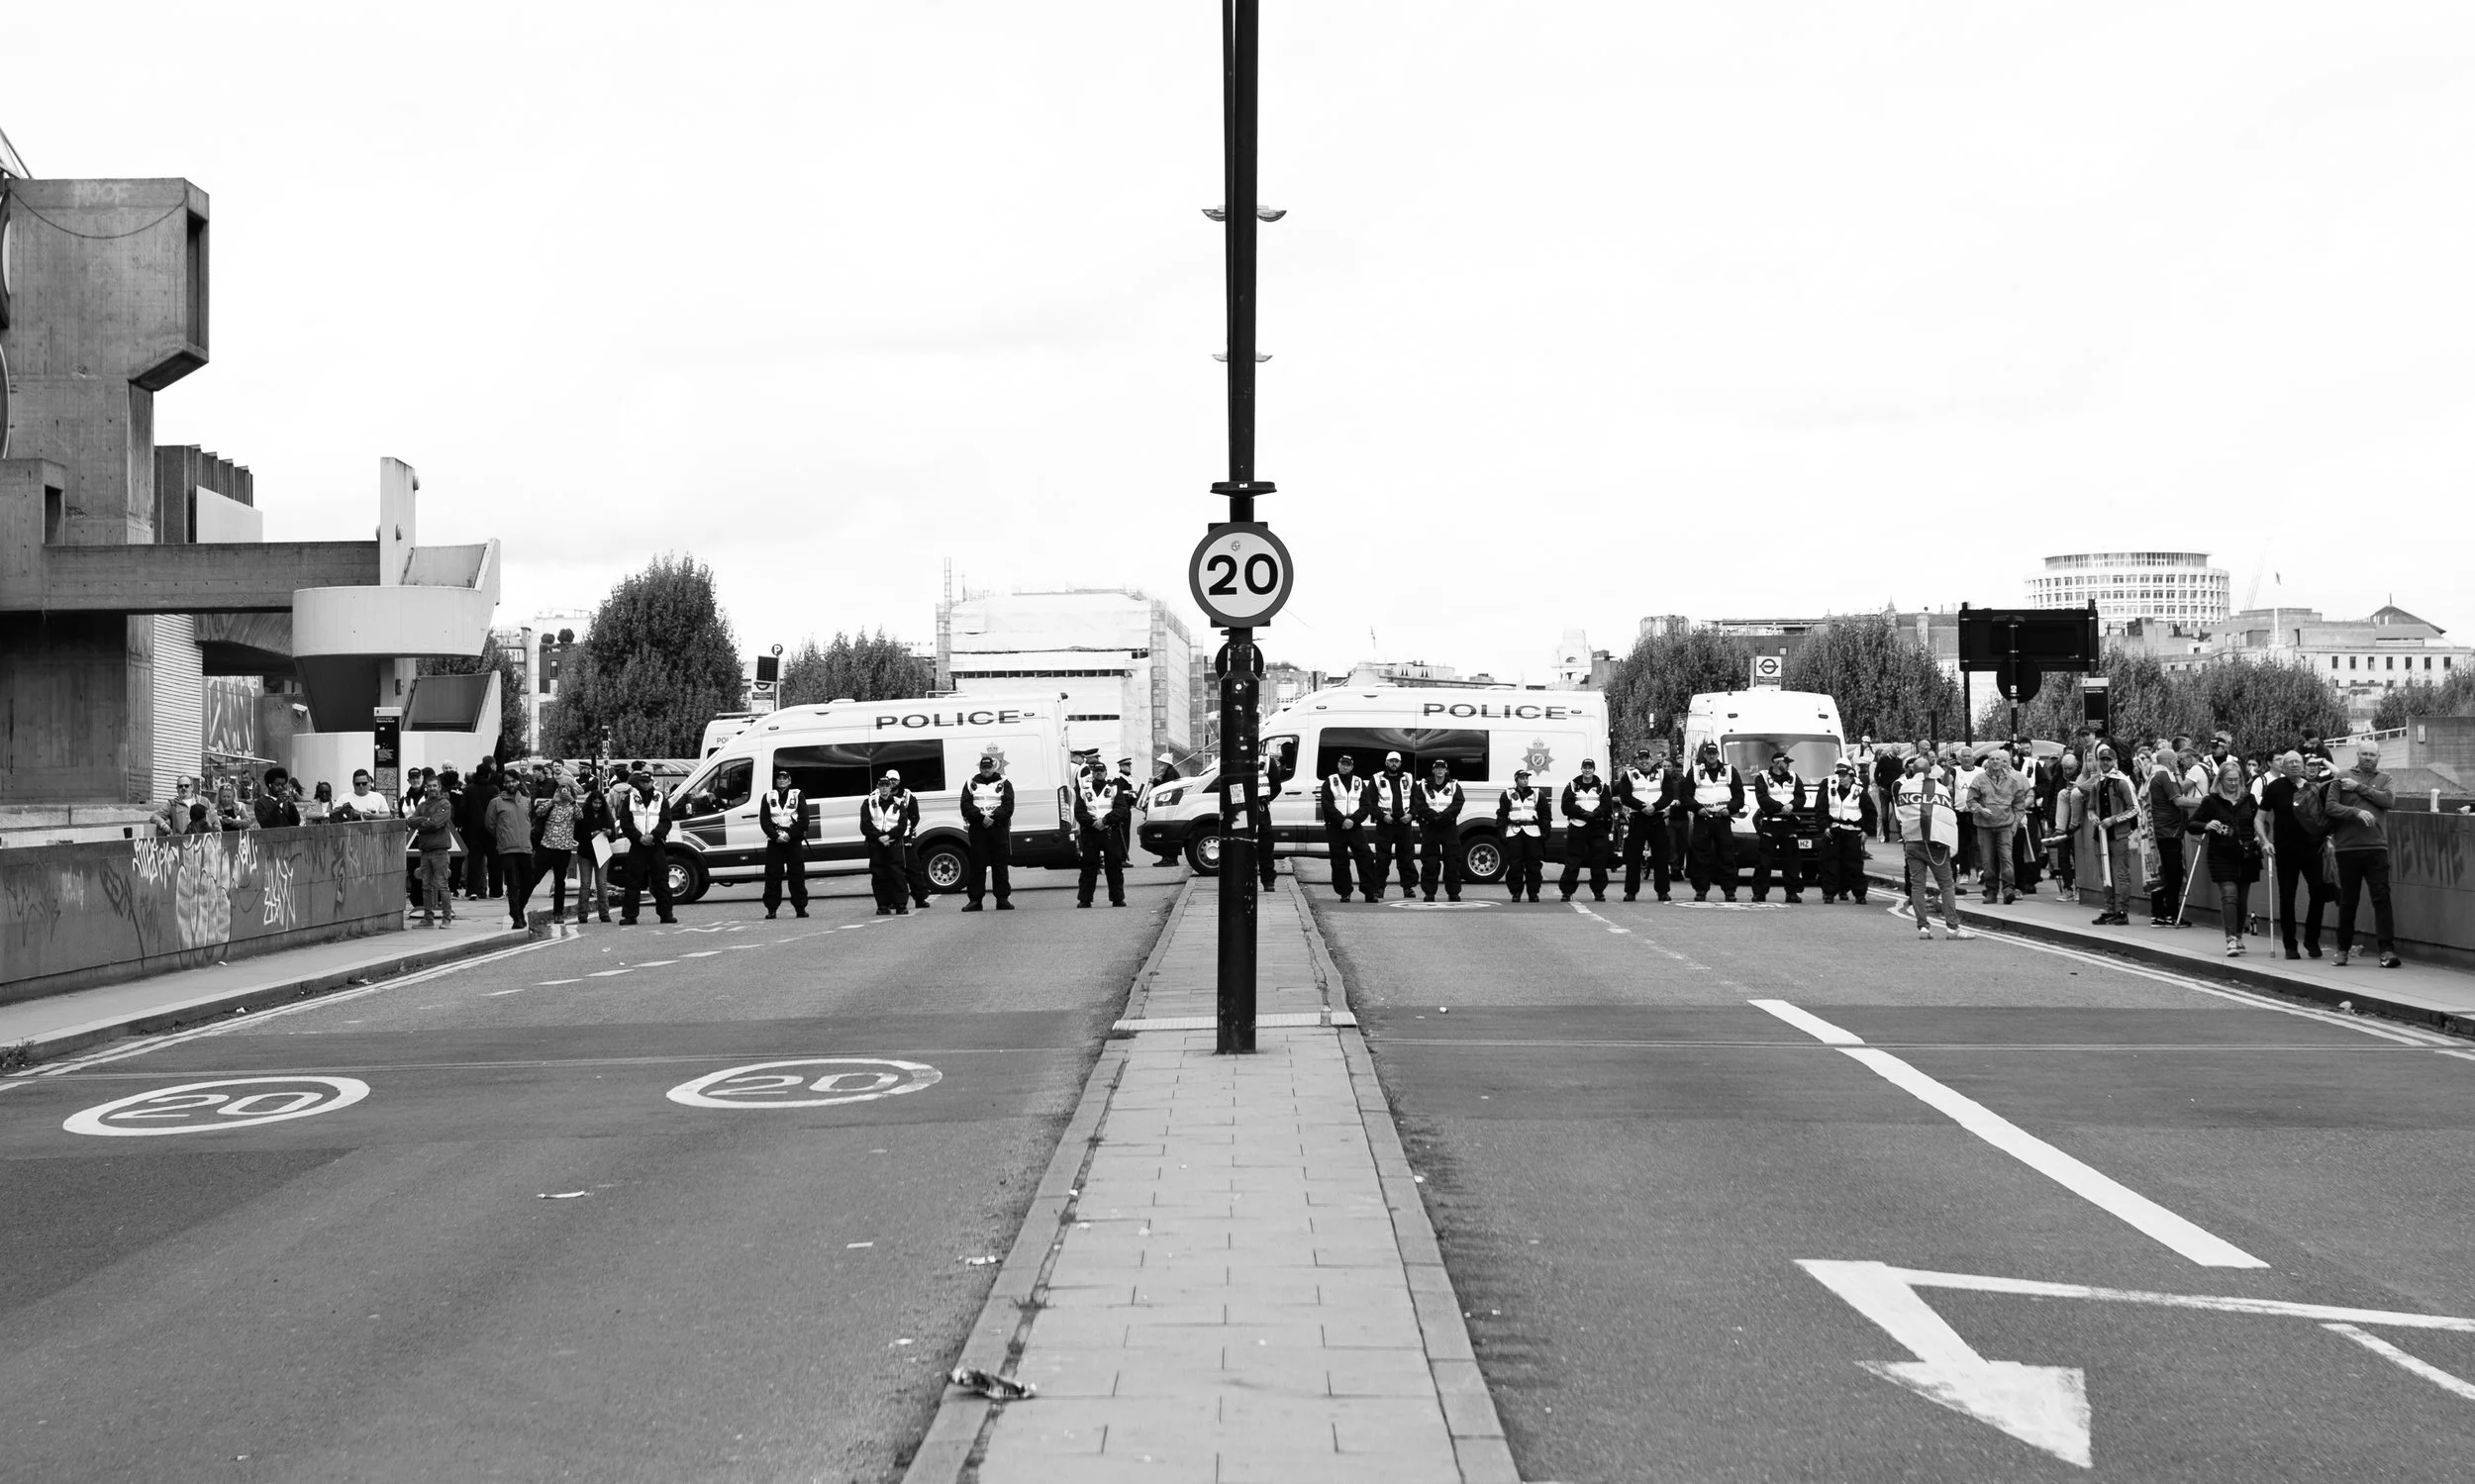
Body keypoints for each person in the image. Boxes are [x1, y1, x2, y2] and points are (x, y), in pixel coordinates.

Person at [2326, 742, 2400, 968]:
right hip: (2347, 848)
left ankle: (2387, 951)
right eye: (2364, 754)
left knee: (2382, 899)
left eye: (2372, 754)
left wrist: (2357, 788)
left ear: (2379, 757)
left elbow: (2388, 801)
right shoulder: (2342, 776)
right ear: (2357, 755)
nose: (2368, 758)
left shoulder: (2385, 779)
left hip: (2376, 846)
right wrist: (2356, 812)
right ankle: (2342, 950)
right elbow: (2330, 807)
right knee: (2348, 901)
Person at [2187, 759, 2263, 957]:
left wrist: (2259, 835)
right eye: (2229, 780)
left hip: (2247, 854)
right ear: (2220, 780)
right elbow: (2191, 824)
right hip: (2221, 854)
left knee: (2242, 900)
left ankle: (2238, 935)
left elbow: (2260, 823)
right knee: (2229, 895)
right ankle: (2230, 939)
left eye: (2236, 780)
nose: (2233, 784)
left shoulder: (2249, 799)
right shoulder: (2211, 801)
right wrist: (2207, 825)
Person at [2259, 751, 2331, 960]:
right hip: (2285, 850)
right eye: (2289, 762)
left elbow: (2327, 814)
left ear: (2303, 766)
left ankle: (2312, 939)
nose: (2293, 765)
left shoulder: (2313, 788)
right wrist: (2265, 840)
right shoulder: (2274, 788)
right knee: (2287, 896)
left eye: (2297, 762)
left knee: (2318, 892)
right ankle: (2290, 944)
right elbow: (2259, 818)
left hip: (2313, 849)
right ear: (2282, 766)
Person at [1893, 750, 1971, 942]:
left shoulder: (1904, 788)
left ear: (1912, 770)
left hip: (1912, 841)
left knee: (1917, 885)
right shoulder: (1939, 788)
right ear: (1930, 771)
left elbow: (1901, 814)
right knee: (1946, 885)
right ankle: (1952, 928)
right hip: (1934, 842)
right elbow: (1947, 815)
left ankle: (1924, 928)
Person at [2081, 745, 2142, 926]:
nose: (2105, 763)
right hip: (2099, 835)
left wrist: (2113, 820)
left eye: (2108, 760)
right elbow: (2091, 807)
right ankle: (2109, 909)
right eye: (2102, 760)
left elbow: (2134, 809)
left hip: (2119, 834)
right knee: (2104, 874)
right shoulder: (2097, 783)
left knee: (2121, 874)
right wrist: (2093, 817)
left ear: (2114, 762)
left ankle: (2122, 911)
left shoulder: (2122, 782)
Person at [1965, 747, 2032, 905]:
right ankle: (1991, 891)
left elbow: (2019, 805)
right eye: (1992, 759)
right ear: (1988, 762)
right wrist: (1980, 810)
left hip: (2005, 826)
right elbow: (1970, 801)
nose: (1995, 762)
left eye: (1998, 759)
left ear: (2003, 762)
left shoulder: (2012, 781)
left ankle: (2009, 889)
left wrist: (2015, 823)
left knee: (2006, 858)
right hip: (1984, 827)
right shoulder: (1979, 780)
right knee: (1987, 860)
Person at [2144, 742, 2201, 926]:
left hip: (2158, 830)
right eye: (2176, 761)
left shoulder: (2154, 774)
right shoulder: (2164, 775)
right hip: (2169, 831)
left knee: (2160, 874)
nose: (2178, 764)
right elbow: (2179, 800)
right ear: (2170, 761)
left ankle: (2157, 914)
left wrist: (2176, 772)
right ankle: (2171, 914)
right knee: (2173, 875)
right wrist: (2204, 801)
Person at [1615, 746, 1680, 903]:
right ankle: (1631, 892)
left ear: (1652, 760)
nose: (1644, 761)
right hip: (1638, 818)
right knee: (1633, 858)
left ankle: (1663, 891)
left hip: (1657, 818)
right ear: (1636, 761)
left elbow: (1668, 795)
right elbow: (1625, 797)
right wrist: (1642, 806)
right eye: (1640, 759)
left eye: (1646, 758)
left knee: (1661, 857)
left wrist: (1654, 807)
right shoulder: (1629, 775)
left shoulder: (1662, 774)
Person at [1685, 742, 1744, 902]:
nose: (1711, 756)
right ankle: (1701, 890)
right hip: (1702, 819)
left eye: (1714, 753)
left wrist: (1730, 809)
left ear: (1718, 755)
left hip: (1722, 819)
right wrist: (1697, 808)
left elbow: (1739, 796)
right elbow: (1686, 796)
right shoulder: (1696, 771)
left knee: (1727, 856)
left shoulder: (1729, 771)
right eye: (1708, 753)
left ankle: (1729, 891)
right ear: (1704, 755)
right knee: (1700, 856)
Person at [617, 768, 677, 925]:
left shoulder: (660, 798)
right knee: (632, 880)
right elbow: (625, 821)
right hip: (638, 845)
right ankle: (630, 915)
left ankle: (666, 914)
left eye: (647, 782)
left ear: (652, 782)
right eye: (642, 782)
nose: (644, 784)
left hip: (655, 844)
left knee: (661, 880)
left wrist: (654, 836)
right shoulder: (630, 798)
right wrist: (638, 838)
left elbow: (666, 821)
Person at [1814, 759, 1875, 904]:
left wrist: (1866, 831)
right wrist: (1825, 827)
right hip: (1834, 831)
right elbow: (1821, 811)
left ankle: (1859, 894)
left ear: (1851, 777)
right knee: (1830, 864)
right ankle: (1829, 893)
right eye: (1839, 776)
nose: (1840, 778)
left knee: (1854, 865)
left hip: (1853, 832)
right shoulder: (1830, 792)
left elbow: (1871, 813)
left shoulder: (1860, 792)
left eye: (1844, 776)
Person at [754, 764, 812, 918]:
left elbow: (804, 820)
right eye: (779, 778)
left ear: (789, 780)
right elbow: (764, 821)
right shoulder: (768, 796)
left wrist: (790, 835)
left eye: (784, 778)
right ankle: (771, 909)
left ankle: (800, 908)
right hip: (775, 842)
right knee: (772, 876)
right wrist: (776, 836)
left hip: (792, 840)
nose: (781, 781)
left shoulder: (797, 794)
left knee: (797, 875)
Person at [1319, 752, 1377, 902]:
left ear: (1352, 767)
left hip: (1355, 826)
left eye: (1348, 764)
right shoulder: (1330, 781)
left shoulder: (1358, 782)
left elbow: (1366, 805)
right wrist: (1341, 820)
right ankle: (1345, 892)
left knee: (1366, 857)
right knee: (1339, 862)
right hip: (1336, 827)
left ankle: (1369, 892)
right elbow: (1327, 805)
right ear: (1338, 764)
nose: (1345, 767)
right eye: (1343, 764)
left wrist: (1353, 820)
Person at [958, 752, 1013, 912]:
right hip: (978, 829)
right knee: (977, 866)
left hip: (998, 828)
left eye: (988, 767)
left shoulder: (1004, 782)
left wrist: (993, 817)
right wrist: (981, 818)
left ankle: (1002, 899)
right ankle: (975, 900)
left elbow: (1008, 805)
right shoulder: (970, 783)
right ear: (980, 768)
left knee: (1000, 865)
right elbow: (965, 805)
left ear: (993, 767)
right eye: (983, 767)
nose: (986, 770)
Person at [1073, 758, 1132, 908]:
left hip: (1110, 832)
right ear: (1092, 773)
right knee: (1088, 867)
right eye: (1096, 771)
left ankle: (1117, 898)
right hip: (1091, 832)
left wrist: (1105, 821)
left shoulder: (1114, 789)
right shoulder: (1084, 790)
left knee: (1114, 867)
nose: (1098, 773)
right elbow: (1079, 811)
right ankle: (1084, 899)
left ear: (1105, 773)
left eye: (1101, 771)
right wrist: (1092, 822)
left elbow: (1121, 809)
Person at [1749, 752, 1805, 904]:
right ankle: (1759, 893)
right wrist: (1781, 807)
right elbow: (1762, 799)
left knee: (1792, 859)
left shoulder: (1793, 777)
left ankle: (1792, 893)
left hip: (1788, 823)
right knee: (1764, 861)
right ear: (1776, 762)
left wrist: (1792, 805)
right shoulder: (1762, 777)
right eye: (1785, 762)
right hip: (1770, 823)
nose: (1788, 765)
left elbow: (1801, 797)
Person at [1365, 751, 1420, 902]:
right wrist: (1382, 816)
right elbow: (1371, 803)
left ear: (1400, 764)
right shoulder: (1376, 778)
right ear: (1386, 763)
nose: (1394, 764)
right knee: (1382, 858)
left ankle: (1408, 888)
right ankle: (1379, 888)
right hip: (1385, 824)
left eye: (1396, 761)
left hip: (1404, 823)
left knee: (1406, 857)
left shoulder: (1408, 778)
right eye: (1391, 761)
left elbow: (1417, 800)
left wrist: (1411, 815)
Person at [1558, 757, 1614, 903]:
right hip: (1578, 826)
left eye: (1590, 767)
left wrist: (1595, 814)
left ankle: (1599, 892)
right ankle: (1567, 892)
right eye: (1585, 767)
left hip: (1597, 827)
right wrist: (1583, 813)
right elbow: (1566, 807)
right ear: (1581, 769)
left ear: (1594, 770)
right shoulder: (1572, 785)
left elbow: (1607, 806)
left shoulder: (1602, 786)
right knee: (1572, 861)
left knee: (1598, 862)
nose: (1587, 770)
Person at [485, 778, 537, 930]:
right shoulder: (496, 802)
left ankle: (517, 909)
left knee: (528, 882)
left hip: (525, 848)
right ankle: (517, 918)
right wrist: (503, 835)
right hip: (507, 849)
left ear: (518, 783)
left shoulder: (526, 801)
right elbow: (490, 824)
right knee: (512, 884)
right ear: (504, 784)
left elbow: (529, 821)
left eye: (513, 781)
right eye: (507, 782)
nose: (510, 784)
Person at [861, 770, 915, 915]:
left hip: (894, 844)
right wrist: (879, 837)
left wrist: (889, 836)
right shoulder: (869, 803)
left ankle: (901, 905)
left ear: (891, 787)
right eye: (882, 785)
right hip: (876, 845)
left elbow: (903, 825)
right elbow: (865, 825)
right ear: (878, 787)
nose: (884, 788)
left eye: (887, 785)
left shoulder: (899, 803)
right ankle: (883, 906)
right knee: (879, 876)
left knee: (897, 875)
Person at [1412, 757, 1465, 902]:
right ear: (1433, 770)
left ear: (1446, 770)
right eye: (1437, 767)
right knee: (1430, 862)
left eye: (1443, 767)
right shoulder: (1423, 785)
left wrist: (1444, 817)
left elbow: (1458, 803)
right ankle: (1429, 893)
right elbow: (1419, 804)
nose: (1440, 770)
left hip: (1449, 827)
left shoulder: (1454, 785)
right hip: (1430, 827)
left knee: (1452, 862)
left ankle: (1453, 893)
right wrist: (1433, 817)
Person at [534, 769, 581, 925]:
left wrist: (572, 800)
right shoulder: (551, 804)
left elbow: (580, 816)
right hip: (547, 846)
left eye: (566, 791)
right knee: (535, 877)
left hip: (564, 849)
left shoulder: (572, 807)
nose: (563, 793)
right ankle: (521, 904)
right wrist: (553, 800)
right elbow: (539, 812)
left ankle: (558, 913)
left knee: (560, 882)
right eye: (561, 790)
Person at [408, 778, 457, 926]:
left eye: (434, 786)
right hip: (425, 850)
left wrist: (421, 824)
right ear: (426, 788)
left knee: (442, 885)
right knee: (426, 886)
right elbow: (410, 821)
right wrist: (426, 820)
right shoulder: (422, 805)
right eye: (429, 786)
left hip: (440, 850)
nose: (432, 788)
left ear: (440, 787)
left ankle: (446, 919)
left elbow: (437, 822)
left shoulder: (445, 804)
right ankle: (428, 919)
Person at [1495, 767, 1547, 902]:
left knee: (1533, 865)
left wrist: (1545, 832)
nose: (1525, 780)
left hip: (1532, 832)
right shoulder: (1507, 794)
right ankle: (1516, 892)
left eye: (1526, 778)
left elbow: (1545, 815)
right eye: (1522, 778)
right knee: (1515, 865)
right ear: (1516, 780)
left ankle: (1533, 893)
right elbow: (1502, 815)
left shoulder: (1537, 794)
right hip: (1514, 831)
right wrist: (1501, 832)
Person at [573, 764, 617, 925]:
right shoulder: (583, 815)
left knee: (602, 884)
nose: (597, 805)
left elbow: (613, 836)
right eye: (595, 803)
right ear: (591, 802)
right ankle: (582, 914)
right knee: (585, 884)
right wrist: (590, 835)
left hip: (602, 852)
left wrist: (610, 833)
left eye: (599, 803)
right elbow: (576, 834)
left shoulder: (607, 816)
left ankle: (604, 914)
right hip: (585, 852)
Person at [459, 758, 501, 902]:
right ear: (488, 774)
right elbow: (498, 810)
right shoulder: (494, 789)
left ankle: (473, 890)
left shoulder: (469, 789)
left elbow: (463, 810)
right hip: (491, 830)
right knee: (494, 861)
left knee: (474, 861)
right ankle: (496, 891)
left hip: (473, 830)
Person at [2044, 751, 2083, 896]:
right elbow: (2051, 797)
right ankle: (2068, 887)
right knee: (2062, 856)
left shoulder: (2082, 777)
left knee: (2077, 854)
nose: (2067, 771)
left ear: (2076, 767)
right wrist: (2050, 822)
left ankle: (2079, 886)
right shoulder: (2057, 777)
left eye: (2070, 769)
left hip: (2076, 822)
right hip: (2061, 822)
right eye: (2065, 768)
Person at [1871, 745, 1907, 842]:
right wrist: (1880, 786)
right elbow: (1876, 773)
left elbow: (1901, 773)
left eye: (1899, 748)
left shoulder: (1899, 761)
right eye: (1896, 747)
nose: (1898, 749)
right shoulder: (1883, 760)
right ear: (1892, 749)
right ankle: (1886, 836)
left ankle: (1901, 836)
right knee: (1884, 814)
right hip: (1885, 790)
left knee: (1897, 814)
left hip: (1895, 791)